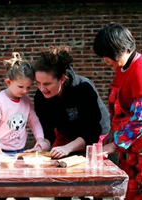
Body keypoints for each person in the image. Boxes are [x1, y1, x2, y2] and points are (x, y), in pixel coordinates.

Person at [33, 45, 110, 200]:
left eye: (47, 84)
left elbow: (92, 130)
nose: (42, 88)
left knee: (89, 189)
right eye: (38, 83)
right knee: (61, 186)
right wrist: (42, 144)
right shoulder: (40, 97)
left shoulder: (83, 89)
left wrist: (68, 148)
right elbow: (47, 131)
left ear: (62, 78)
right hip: (65, 138)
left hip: (95, 138)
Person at [0, 52, 50, 200]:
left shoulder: (25, 100)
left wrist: (40, 139)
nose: (25, 91)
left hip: (19, 151)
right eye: (21, 86)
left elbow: (34, 121)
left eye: (28, 87)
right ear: (8, 82)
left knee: (21, 191)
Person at [93, 22, 142, 200]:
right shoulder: (122, 70)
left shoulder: (139, 70)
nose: (105, 60)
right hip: (128, 150)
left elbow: (139, 117)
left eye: (107, 55)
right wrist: (111, 136)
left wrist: (114, 144)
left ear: (121, 49)